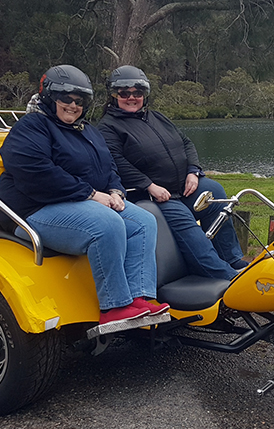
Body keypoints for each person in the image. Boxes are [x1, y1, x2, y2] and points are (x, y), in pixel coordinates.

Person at [0, 64, 167, 329]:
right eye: (66, 99)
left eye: (80, 101)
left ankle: (139, 299)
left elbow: (108, 165)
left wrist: (115, 191)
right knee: (106, 224)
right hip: (34, 210)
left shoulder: (87, 130)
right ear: (50, 98)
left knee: (144, 222)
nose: (73, 106)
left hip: (81, 204)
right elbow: (35, 172)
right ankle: (115, 307)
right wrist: (89, 194)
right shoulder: (32, 127)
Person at [98, 65, 246, 281]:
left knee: (215, 193)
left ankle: (232, 259)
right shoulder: (108, 127)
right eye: (124, 93)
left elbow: (185, 143)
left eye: (137, 93)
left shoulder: (156, 117)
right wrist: (149, 185)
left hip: (181, 187)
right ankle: (223, 274)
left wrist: (193, 171)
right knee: (182, 218)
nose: (132, 98)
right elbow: (117, 162)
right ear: (114, 96)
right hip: (149, 196)